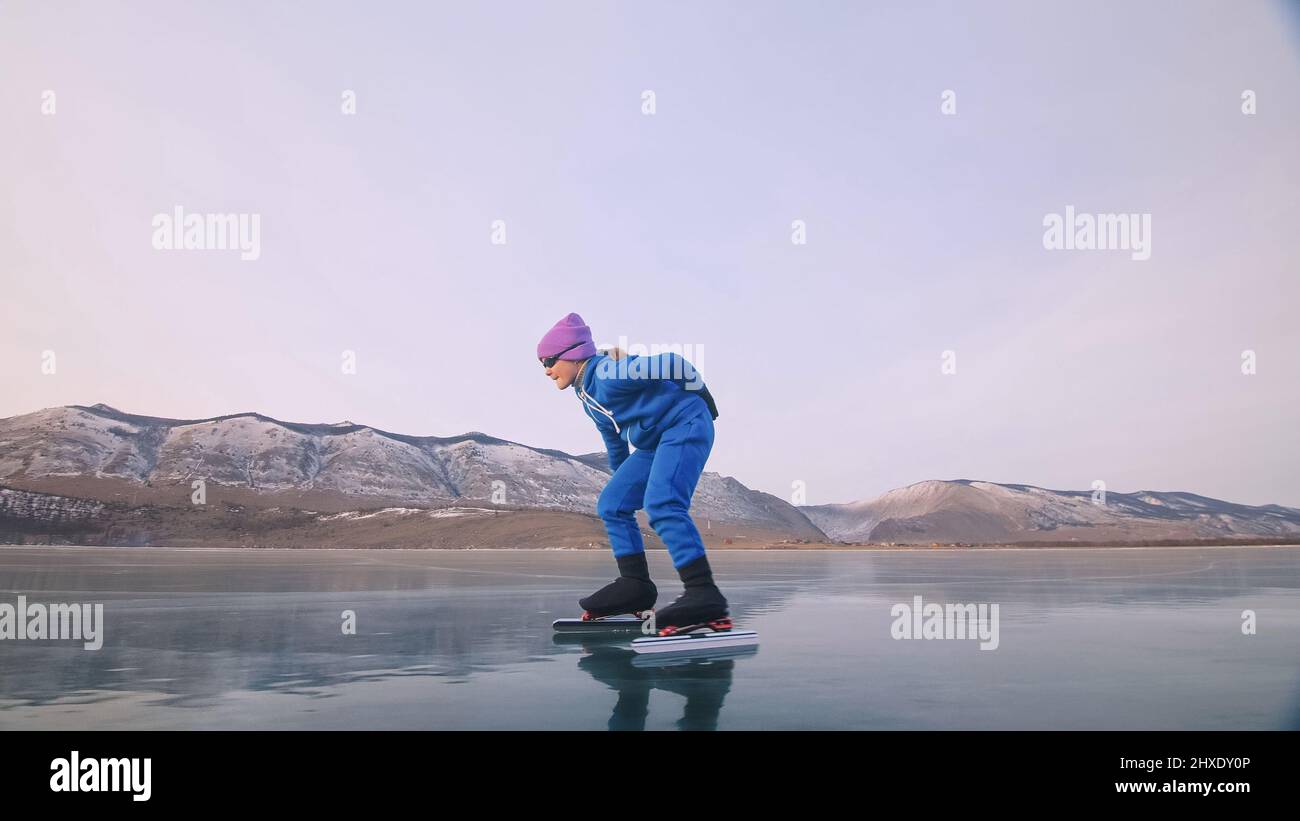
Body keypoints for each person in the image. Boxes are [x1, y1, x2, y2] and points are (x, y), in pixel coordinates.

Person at [537, 312, 728, 630]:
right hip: (654, 442)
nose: (545, 370)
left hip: (685, 422)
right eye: (541, 363)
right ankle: (635, 586)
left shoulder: (610, 374)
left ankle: (703, 594)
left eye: (549, 360)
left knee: (662, 504)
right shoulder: (587, 395)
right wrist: (623, 483)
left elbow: (674, 362)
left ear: (572, 355)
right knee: (611, 504)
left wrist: (703, 398)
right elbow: (613, 441)